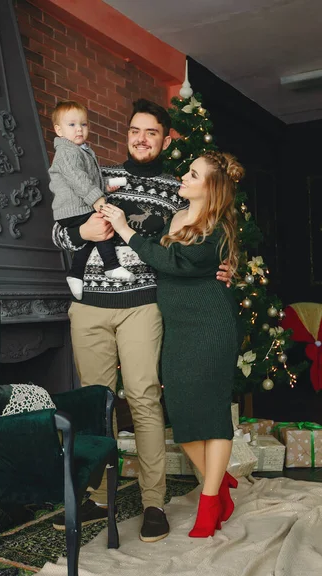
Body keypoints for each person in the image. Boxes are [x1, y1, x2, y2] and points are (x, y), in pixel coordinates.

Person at [51, 98, 231, 543]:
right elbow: (57, 227)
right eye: (135, 130)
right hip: (90, 304)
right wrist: (80, 233)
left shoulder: (179, 187)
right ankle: (93, 496)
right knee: (95, 403)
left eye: (151, 132)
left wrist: (224, 267)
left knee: (145, 401)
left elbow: (203, 236)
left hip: (142, 306)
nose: (141, 138)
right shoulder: (99, 176)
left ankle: (154, 502)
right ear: (127, 133)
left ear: (165, 138)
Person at [101, 150, 244, 538]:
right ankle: (222, 481)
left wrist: (125, 230)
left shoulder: (219, 228)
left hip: (211, 325)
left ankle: (211, 502)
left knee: (212, 415)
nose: (184, 175)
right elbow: (160, 252)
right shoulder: (174, 216)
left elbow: (175, 261)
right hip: (177, 329)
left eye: (193, 174)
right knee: (181, 414)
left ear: (210, 188)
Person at [49, 100, 135, 300]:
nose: (79, 129)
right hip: (72, 209)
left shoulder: (81, 151)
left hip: (78, 206)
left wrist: (107, 185)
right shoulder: (66, 152)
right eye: (72, 125)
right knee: (103, 222)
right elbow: (78, 180)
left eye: (83, 124)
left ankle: (75, 274)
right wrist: (98, 199)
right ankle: (111, 266)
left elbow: (89, 178)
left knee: (91, 236)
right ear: (58, 130)